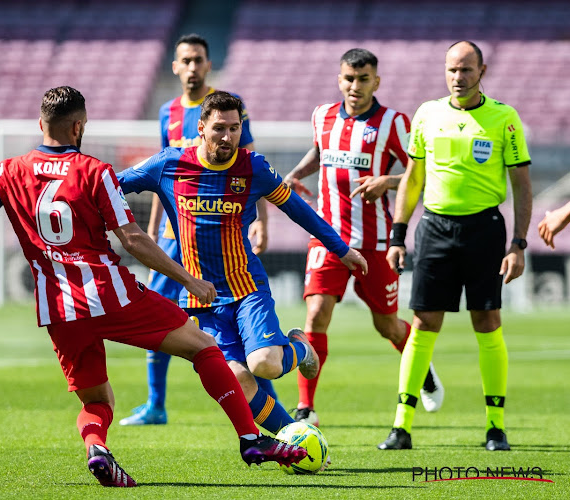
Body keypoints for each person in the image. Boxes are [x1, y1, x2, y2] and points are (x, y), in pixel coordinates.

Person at [0, 86, 307, 488]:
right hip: (111, 294)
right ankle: (251, 440)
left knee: (97, 402)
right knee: (204, 347)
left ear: (41, 123)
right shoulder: (94, 171)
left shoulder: (8, 171)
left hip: (58, 308)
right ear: (79, 127)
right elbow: (132, 240)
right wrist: (188, 280)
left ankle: (97, 449)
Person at [118, 91, 368, 437]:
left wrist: (340, 249)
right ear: (201, 128)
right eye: (219, 128)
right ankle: (294, 440)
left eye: (235, 128)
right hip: (201, 300)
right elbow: (112, 185)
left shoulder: (253, 167)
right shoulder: (168, 164)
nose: (228, 137)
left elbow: (298, 209)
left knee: (264, 363)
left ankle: (298, 346)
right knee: (237, 378)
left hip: (247, 288)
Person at [377, 41, 532, 451]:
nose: (457, 77)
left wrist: (518, 243)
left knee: (487, 321)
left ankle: (496, 427)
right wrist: (398, 235)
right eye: (451, 70)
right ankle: (401, 426)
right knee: (425, 323)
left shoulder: (504, 118)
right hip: (435, 229)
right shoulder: (427, 114)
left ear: (482, 71)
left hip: (485, 230)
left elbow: (521, 184)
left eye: (465, 70)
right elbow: (412, 178)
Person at [282, 48, 444, 427]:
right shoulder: (322, 115)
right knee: (316, 314)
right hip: (327, 237)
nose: (355, 86)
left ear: (377, 81)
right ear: (340, 79)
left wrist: (385, 181)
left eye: (363, 79)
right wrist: (296, 175)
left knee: (386, 325)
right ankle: (306, 408)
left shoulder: (393, 123)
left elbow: (423, 173)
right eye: (348, 79)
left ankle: (422, 368)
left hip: (376, 243)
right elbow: (320, 153)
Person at [121, 33, 273, 426]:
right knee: (157, 312)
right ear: (175, 66)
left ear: (208, 65)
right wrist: (153, 231)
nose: (191, 67)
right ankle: (156, 403)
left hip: (216, 237)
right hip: (172, 241)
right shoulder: (166, 112)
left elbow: (250, 169)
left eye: (198, 60)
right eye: (185, 60)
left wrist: (260, 224)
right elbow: (163, 176)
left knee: (237, 340)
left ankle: (266, 403)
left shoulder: (225, 109)